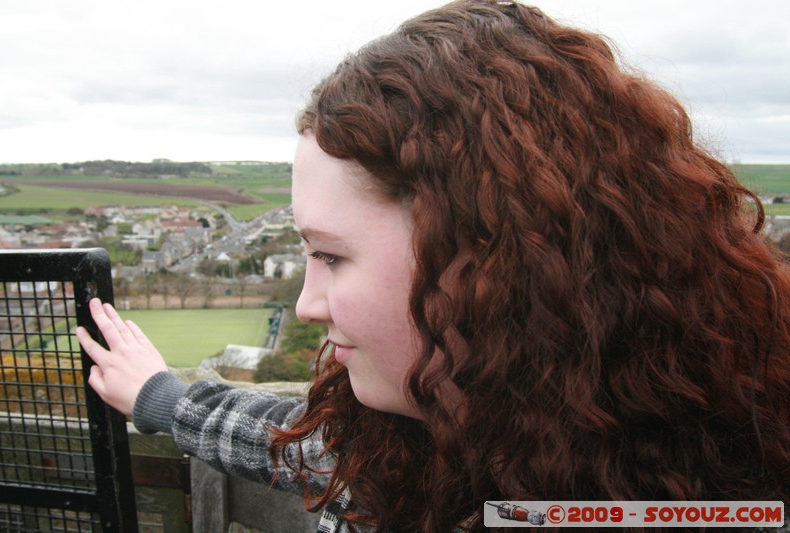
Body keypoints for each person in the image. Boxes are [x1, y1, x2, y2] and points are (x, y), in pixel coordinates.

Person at [77, 1, 790, 531]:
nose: (306, 302)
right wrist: (160, 397)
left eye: (330, 255)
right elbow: (287, 439)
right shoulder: (417, 434)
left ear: (490, 259)